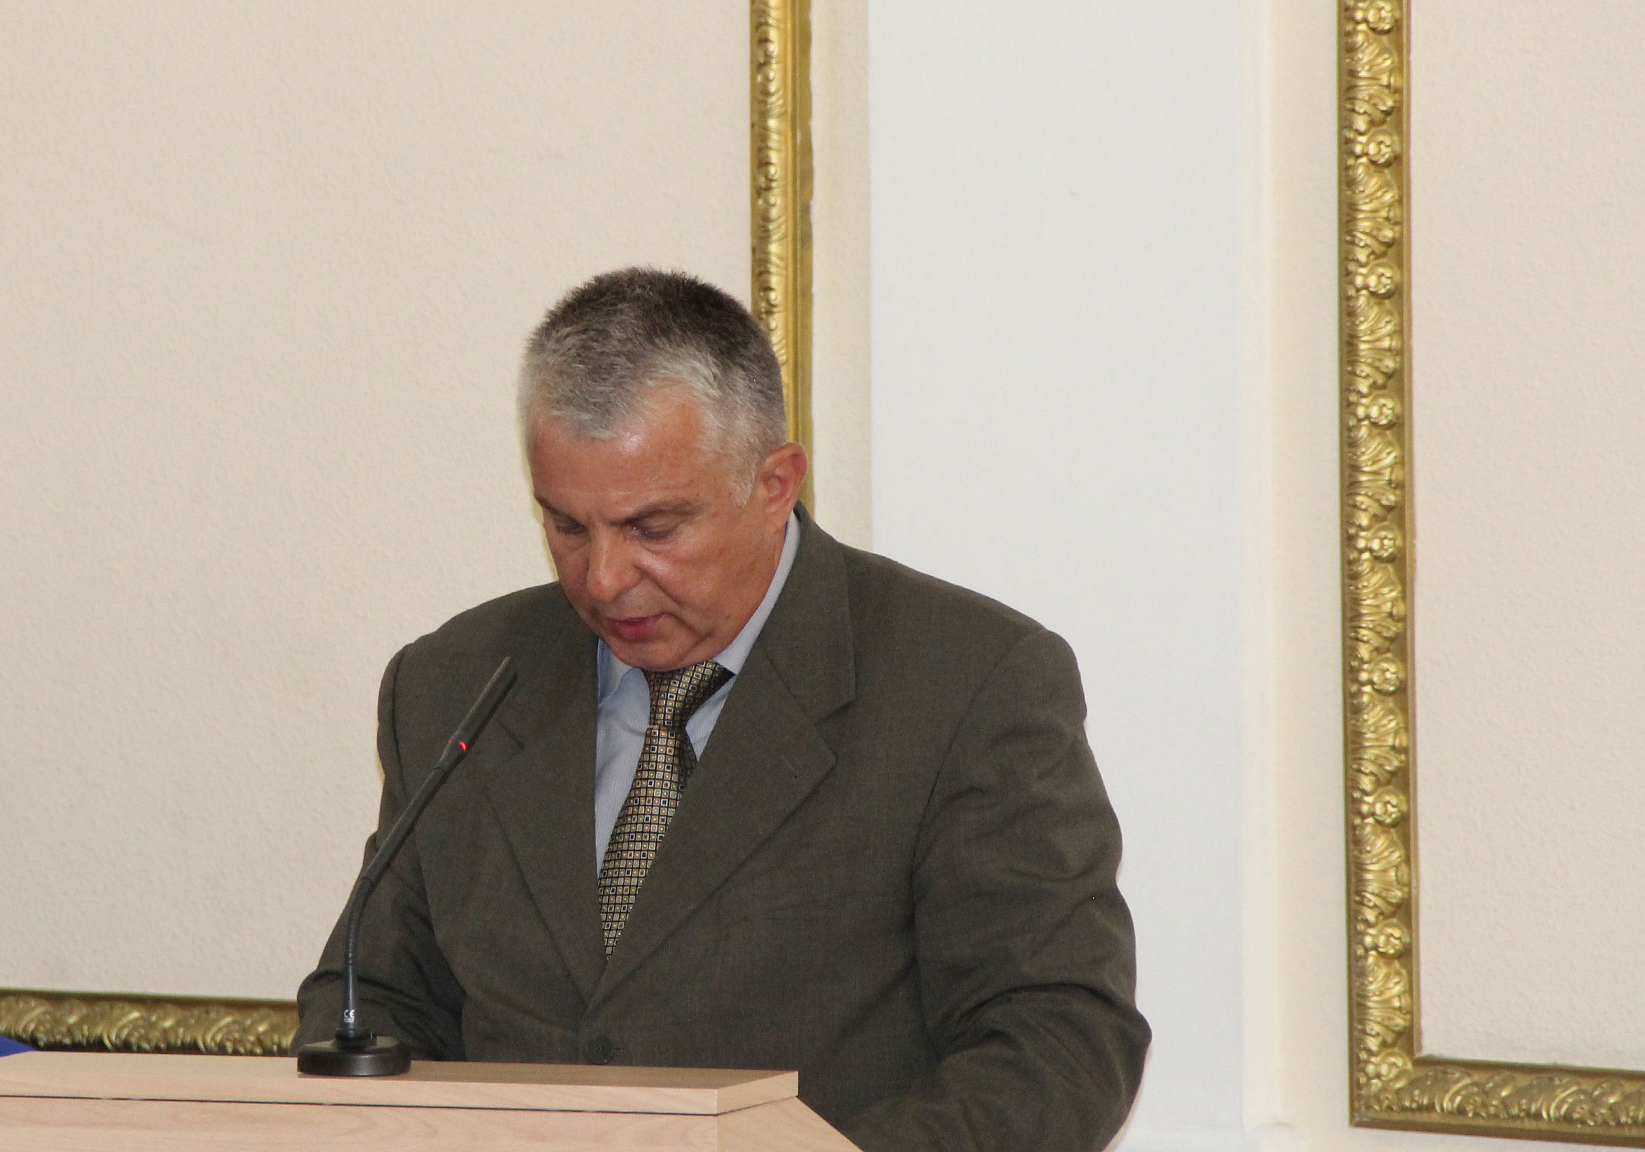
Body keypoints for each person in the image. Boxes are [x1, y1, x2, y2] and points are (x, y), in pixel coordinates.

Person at [296, 268, 1148, 1151]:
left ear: (775, 484)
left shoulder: (965, 683)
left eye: (654, 530)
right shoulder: (456, 683)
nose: (603, 579)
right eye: (568, 526)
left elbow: (1060, 1046)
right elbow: (374, 1000)